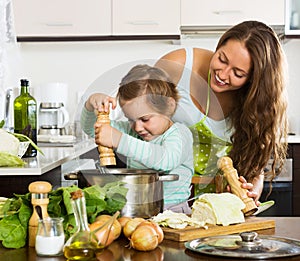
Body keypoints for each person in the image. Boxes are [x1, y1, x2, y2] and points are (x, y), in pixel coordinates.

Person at [154, 20, 288, 204]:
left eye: (238, 74)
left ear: (254, 80)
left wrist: (254, 187)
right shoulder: (178, 65)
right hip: (166, 198)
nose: (222, 75)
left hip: (218, 205)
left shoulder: (258, 106)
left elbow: (255, 167)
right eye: (221, 59)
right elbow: (135, 117)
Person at [81, 64, 194, 213]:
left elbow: (166, 160)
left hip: (174, 212)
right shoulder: (132, 132)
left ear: (169, 106)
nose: (137, 127)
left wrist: (119, 140)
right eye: (130, 119)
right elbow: (93, 129)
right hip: (135, 209)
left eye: (145, 119)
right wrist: (90, 105)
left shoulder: (180, 134)